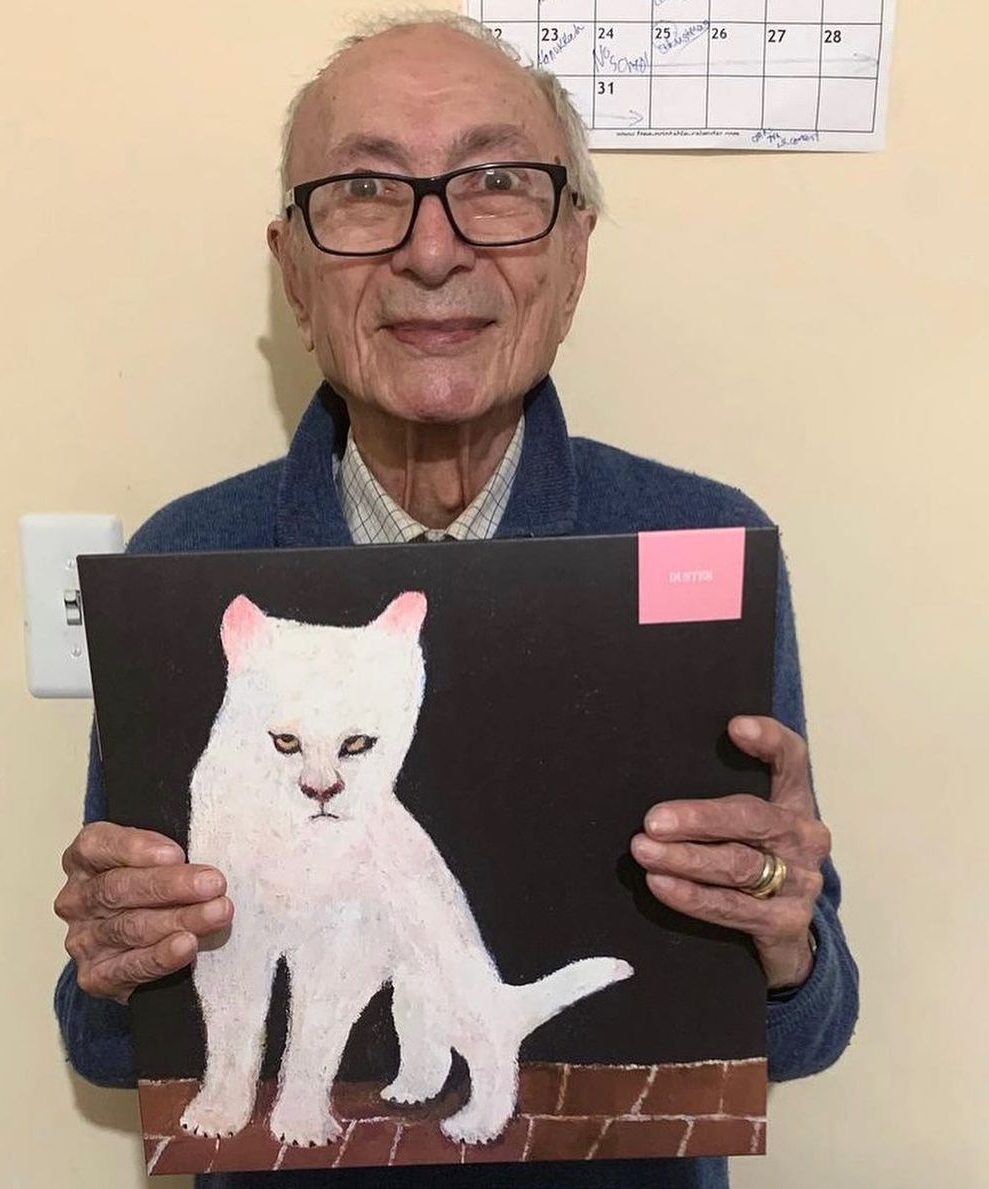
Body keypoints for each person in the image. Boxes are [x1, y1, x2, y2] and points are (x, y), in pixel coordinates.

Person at [53, 13, 858, 1189]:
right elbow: (106, 1045)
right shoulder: (194, 561)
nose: (433, 250)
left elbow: (808, 1034)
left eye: (495, 182)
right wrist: (116, 959)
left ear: (574, 250)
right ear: (293, 267)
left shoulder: (702, 541)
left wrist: (786, 935)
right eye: (366, 189)